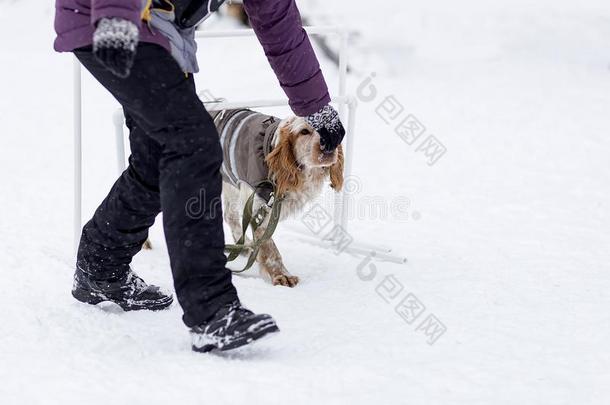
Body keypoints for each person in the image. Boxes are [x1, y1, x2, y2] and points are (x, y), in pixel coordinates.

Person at [53, 0, 345, 352]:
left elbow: (278, 23)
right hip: (107, 17)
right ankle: (212, 310)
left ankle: (99, 268)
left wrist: (316, 110)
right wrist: (116, 15)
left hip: (163, 37)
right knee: (196, 145)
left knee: (156, 157)